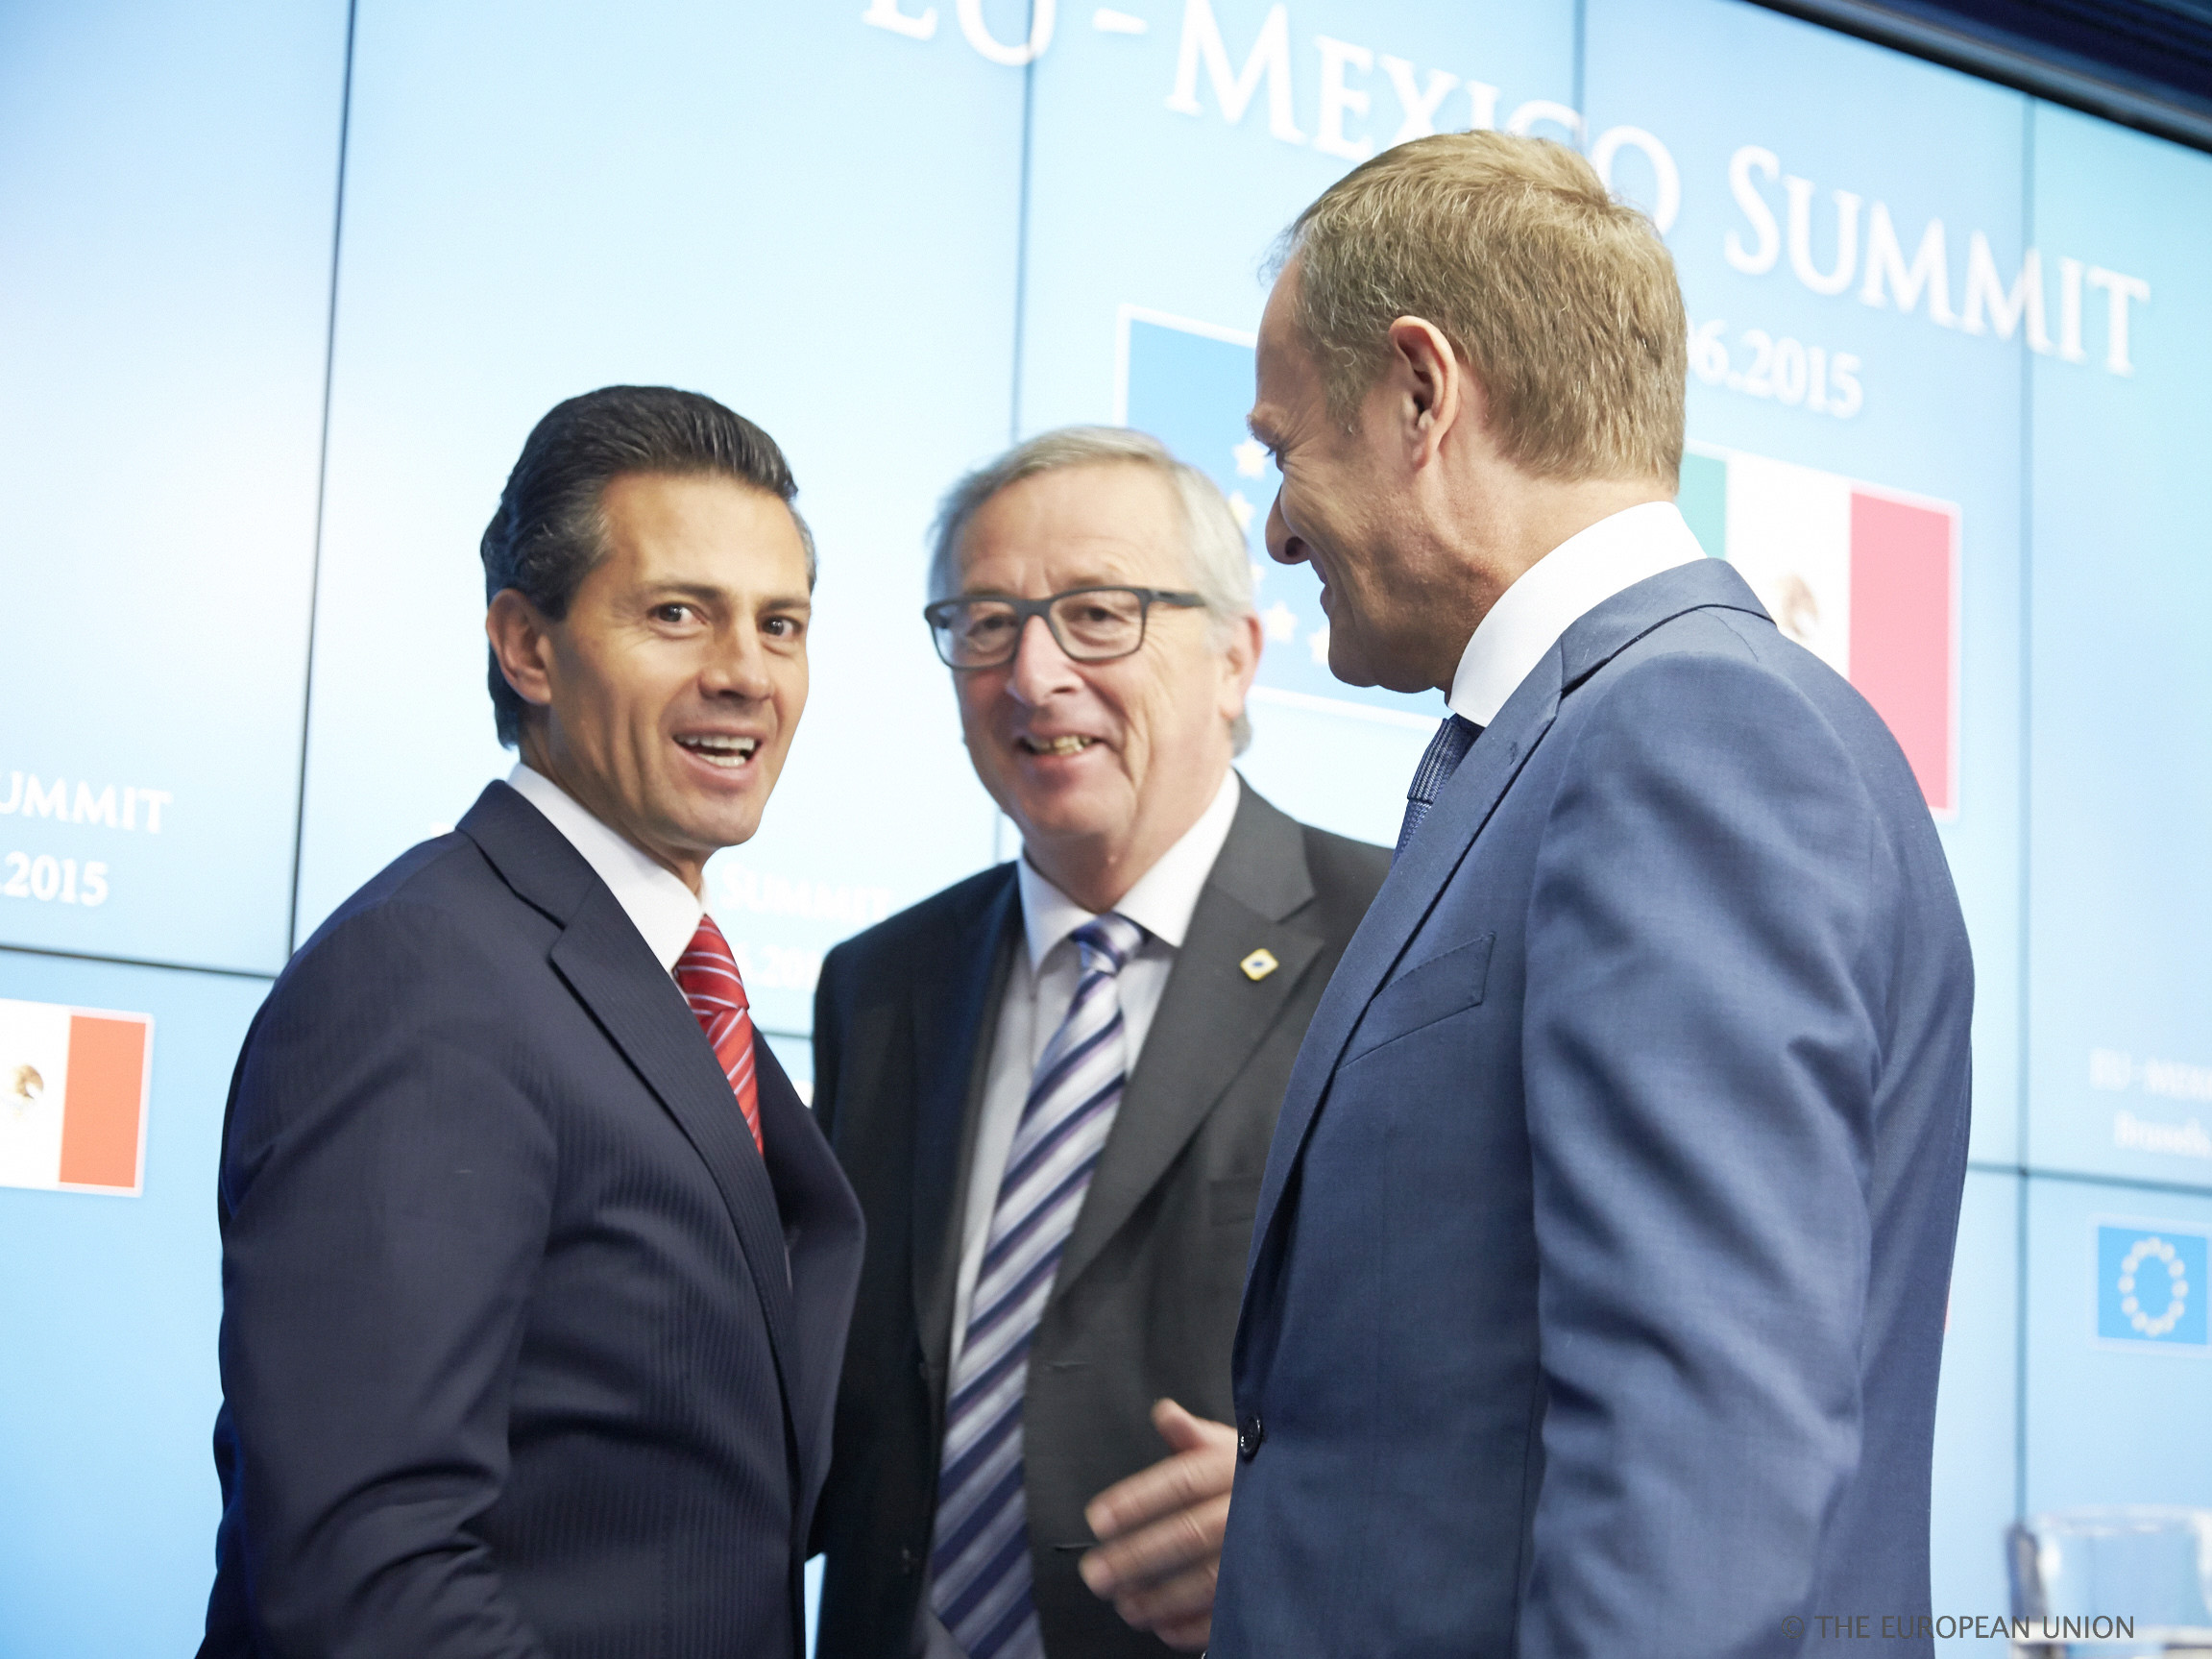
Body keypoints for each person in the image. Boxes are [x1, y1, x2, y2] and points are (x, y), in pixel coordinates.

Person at [1213, 134, 1974, 1657]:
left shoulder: (1684, 733)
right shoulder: (1583, 739)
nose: (1278, 526)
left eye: (1281, 447)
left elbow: (1697, 1474)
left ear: (1420, 395)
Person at [198, 386, 863, 1659]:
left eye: (780, 623)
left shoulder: (663, 978)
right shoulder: (421, 976)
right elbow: (368, 1574)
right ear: (527, 645)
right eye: (677, 612)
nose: (744, 670)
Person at [809, 427, 1390, 1659]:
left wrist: (1327, 1512)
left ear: (1233, 657)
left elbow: (1520, 1370)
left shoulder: (1391, 947)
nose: (1032, 673)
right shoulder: (878, 987)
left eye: (1095, 614)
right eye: (983, 621)